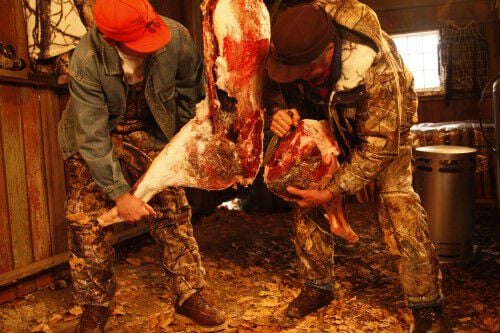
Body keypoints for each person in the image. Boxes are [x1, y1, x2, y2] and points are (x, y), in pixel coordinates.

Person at [265, 1, 450, 331]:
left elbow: (379, 149)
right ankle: (317, 286)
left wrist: (333, 189)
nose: (304, 78)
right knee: (305, 196)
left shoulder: (378, 72)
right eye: (297, 73)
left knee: (398, 203)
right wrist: (280, 112)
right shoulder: (293, 47)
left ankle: (428, 306)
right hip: (328, 121)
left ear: (331, 48)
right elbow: (277, 90)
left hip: (383, 130)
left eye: (312, 71)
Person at [57, 0, 226, 331]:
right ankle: (95, 303)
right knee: (85, 218)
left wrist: (180, 150)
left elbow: (188, 97)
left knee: (172, 207)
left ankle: (189, 294)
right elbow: (92, 137)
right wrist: (121, 195)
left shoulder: (176, 38)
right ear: (110, 40)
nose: (151, 48)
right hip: (97, 133)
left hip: (149, 127)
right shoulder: (86, 60)